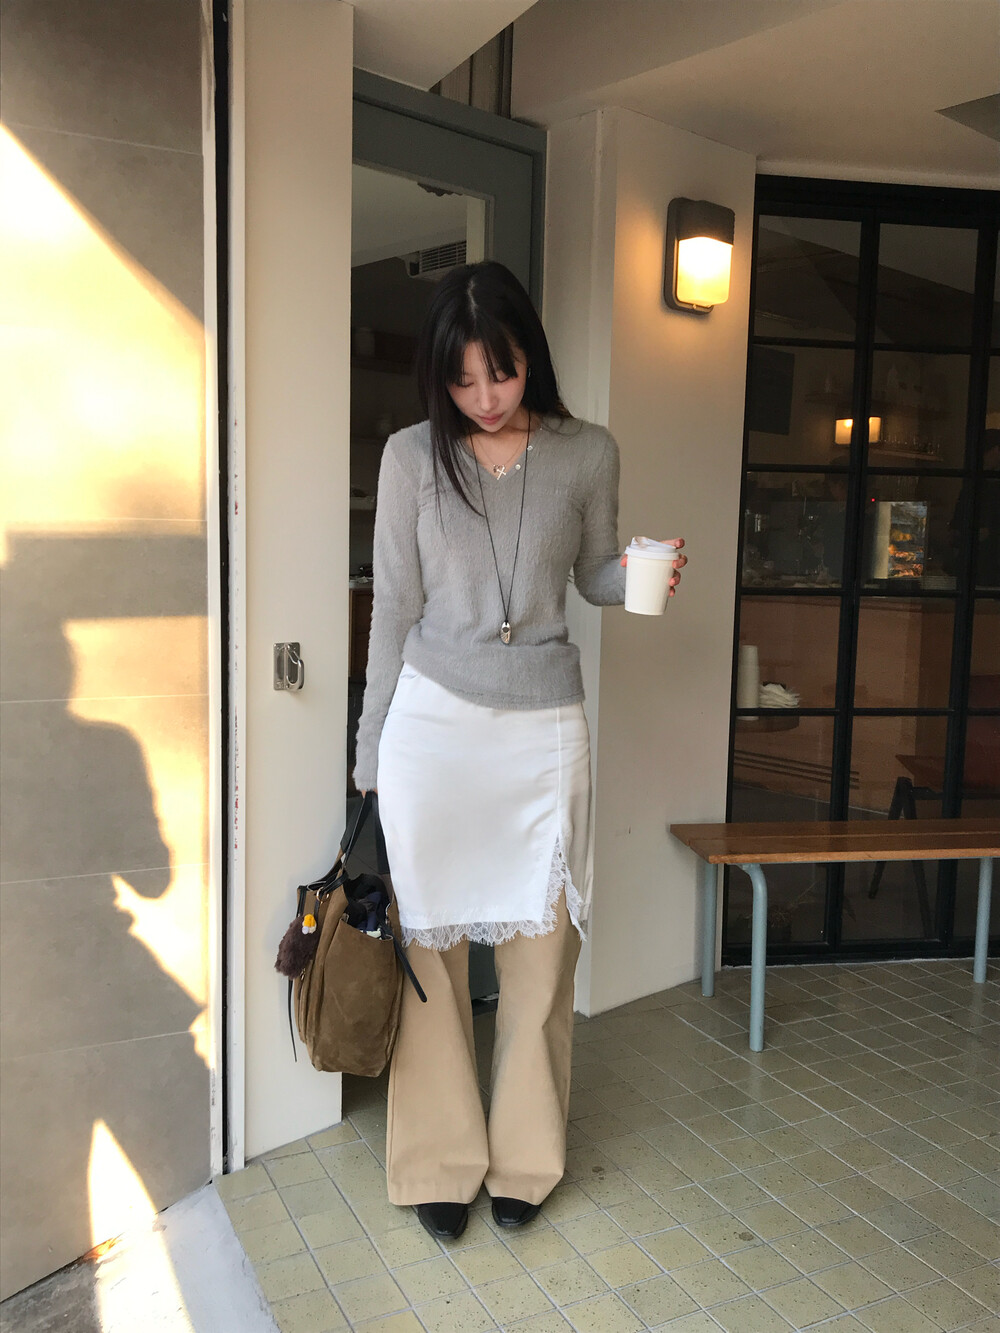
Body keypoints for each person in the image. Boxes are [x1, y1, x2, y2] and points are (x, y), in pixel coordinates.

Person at [352, 260, 686, 1241]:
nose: (485, 397)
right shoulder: (410, 458)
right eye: (461, 379)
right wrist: (369, 749)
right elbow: (393, 610)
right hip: (432, 730)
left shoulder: (587, 452)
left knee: (543, 954)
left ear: (528, 357)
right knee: (431, 952)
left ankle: (527, 1158)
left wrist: (643, 576)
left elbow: (591, 574)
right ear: (438, 378)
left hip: (543, 729)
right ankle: (438, 1160)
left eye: (500, 372)